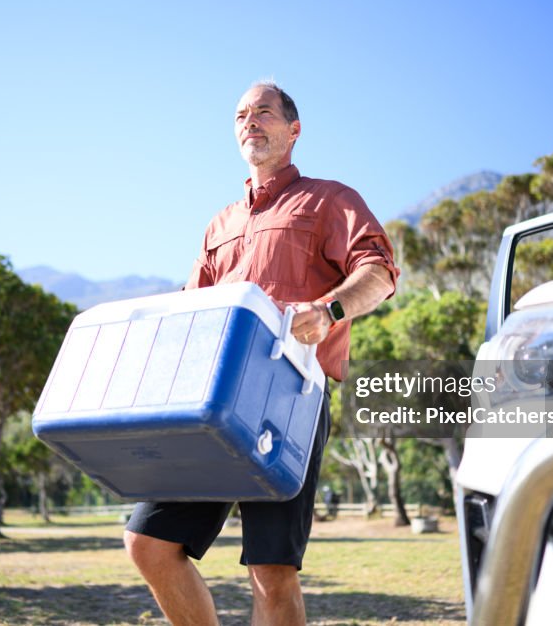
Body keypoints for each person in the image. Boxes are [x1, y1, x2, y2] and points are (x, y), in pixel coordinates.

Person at [123, 81, 398, 625]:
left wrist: (331, 310)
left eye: (264, 112)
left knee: (271, 570)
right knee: (148, 541)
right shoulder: (218, 225)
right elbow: (192, 306)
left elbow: (380, 273)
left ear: (293, 130)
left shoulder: (329, 200)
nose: (251, 121)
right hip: (210, 400)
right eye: (241, 115)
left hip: (288, 397)